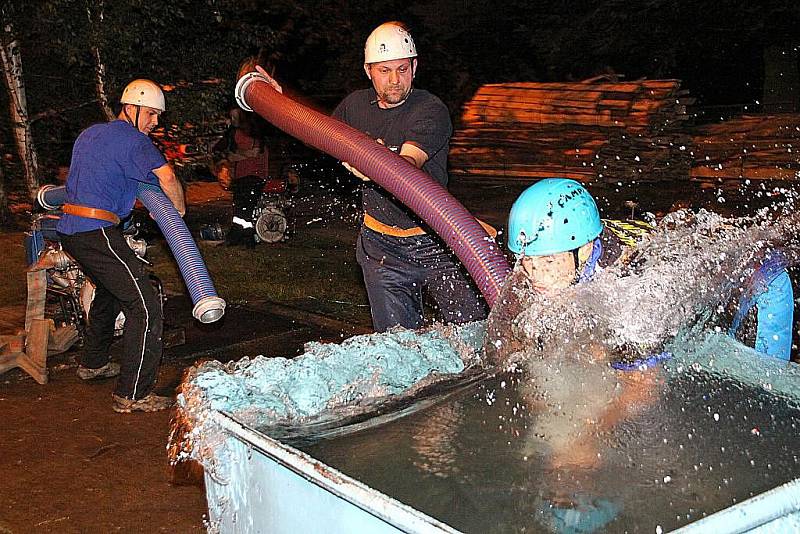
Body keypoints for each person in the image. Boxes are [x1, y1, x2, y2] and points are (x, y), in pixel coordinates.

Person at [492, 177, 794, 362]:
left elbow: (644, 386)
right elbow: (504, 346)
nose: (536, 276)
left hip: (760, 279)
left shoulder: (631, 283)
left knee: (750, 383)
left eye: (546, 263)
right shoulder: (543, 255)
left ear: (584, 250)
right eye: (528, 262)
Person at [333, 21, 487, 332]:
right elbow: (316, 130)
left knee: (474, 335)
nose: (394, 80)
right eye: (384, 71)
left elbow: (407, 164)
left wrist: (372, 160)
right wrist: (275, 97)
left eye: (402, 70)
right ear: (368, 70)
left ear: (414, 67)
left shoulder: (430, 109)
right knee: (397, 347)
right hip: (381, 249)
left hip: (436, 242)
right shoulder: (354, 107)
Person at [56, 79, 185, 413]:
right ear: (132, 107)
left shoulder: (91, 133)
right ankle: (134, 394)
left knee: (111, 291)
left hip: (70, 229)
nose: (155, 122)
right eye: (152, 114)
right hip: (95, 230)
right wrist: (179, 215)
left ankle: (93, 363)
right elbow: (168, 178)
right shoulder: (135, 141)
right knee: (145, 303)